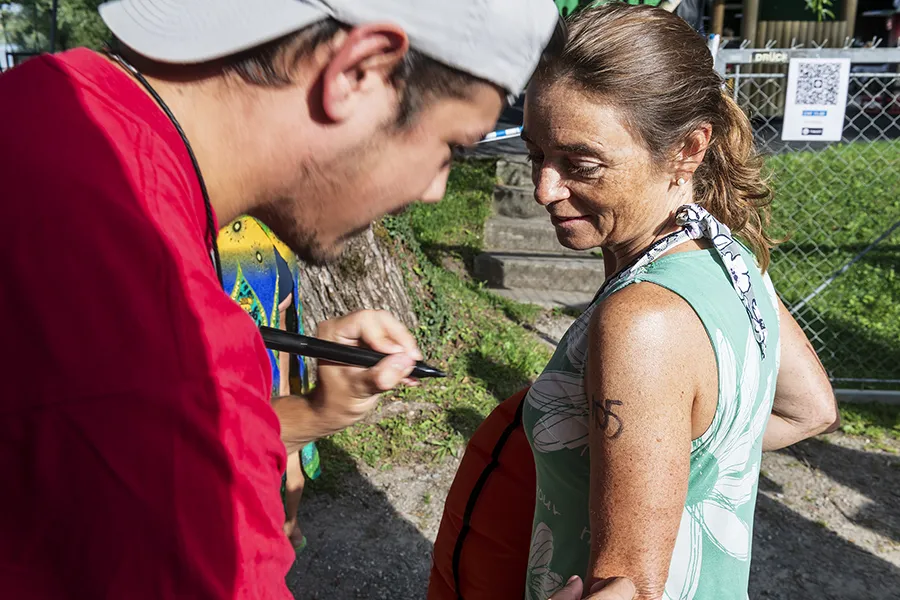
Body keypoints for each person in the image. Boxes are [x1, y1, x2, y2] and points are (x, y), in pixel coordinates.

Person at [0, 0, 565, 598]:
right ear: (360, 71)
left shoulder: (46, 101)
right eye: (453, 146)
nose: (435, 189)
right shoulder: (168, 347)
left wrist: (315, 413)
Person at [519, 4, 838, 600]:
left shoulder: (642, 322)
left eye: (580, 163)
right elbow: (810, 410)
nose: (544, 189)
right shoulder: (730, 258)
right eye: (536, 153)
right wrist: (670, 457)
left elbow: (629, 589)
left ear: (688, 149)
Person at [218, 215, 319, 550]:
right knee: (284, 414)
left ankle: (266, 527)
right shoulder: (272, 218)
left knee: (258, 424)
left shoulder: (219, 228)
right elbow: (287, 306)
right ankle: (290, 525)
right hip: (272, 253)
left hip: (246, 359)